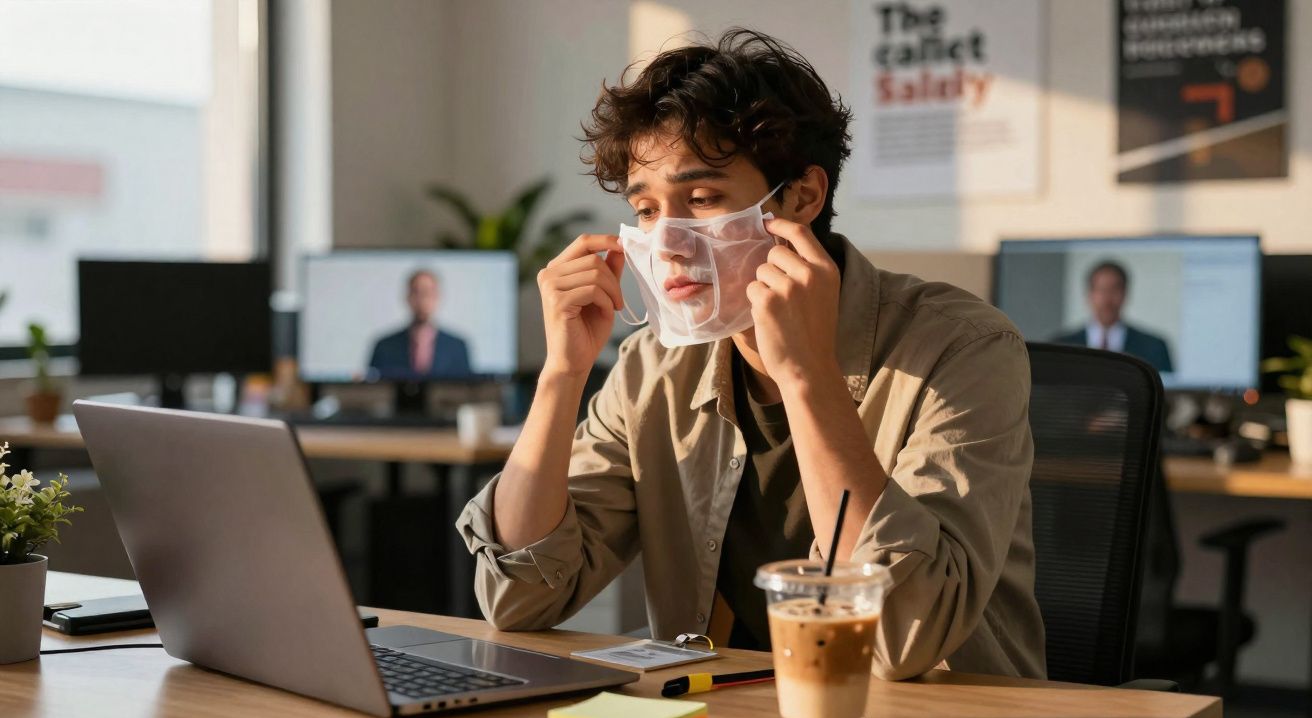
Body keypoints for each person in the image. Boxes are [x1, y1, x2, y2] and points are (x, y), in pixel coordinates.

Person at [455, 29, 1046, 681]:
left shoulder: (962, 347)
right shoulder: (652, 365)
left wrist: (808, 374)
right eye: (646, 209)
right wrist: (560, 374)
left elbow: (905, 637)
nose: (668, 243)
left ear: (801, 197)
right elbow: (518, 595)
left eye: (702, 200)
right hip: (726, 713)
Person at [1052, 261, 1174, 373]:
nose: (1107, 299)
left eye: (1114, 290)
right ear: (1089, 295)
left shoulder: (1154, 347)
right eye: (1102, 290)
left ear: (1125, 294)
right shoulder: (1061, 346)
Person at [368, 269, 472, 380]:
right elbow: (372, 389)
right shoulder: (384, 347)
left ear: (437, 297)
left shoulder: (457, 347)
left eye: (427, 292)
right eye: (416, 292)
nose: (422, 299)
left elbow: (466, 391)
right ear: (408, 297)